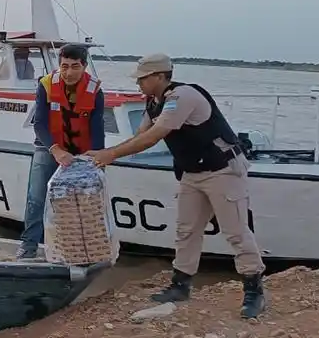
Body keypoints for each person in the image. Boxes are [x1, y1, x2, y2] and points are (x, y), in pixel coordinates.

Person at [84, 53, 267, 319]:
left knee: (236, 231)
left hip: (222, 170)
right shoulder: (154, 102)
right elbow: (141, 135)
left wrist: (110, 155)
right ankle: (181, 284)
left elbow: (156, 136)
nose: (138, 84)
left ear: (160, 76)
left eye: (142, 79)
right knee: (186, 229)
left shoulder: (183, 97)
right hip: (193, 172)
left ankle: (254, 291)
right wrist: (108, 153)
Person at [16, 43, 106, 260]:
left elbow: (97, 129)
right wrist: (55, 150)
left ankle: (77, 249)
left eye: (75, 67)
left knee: (81, 201)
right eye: (64, 66)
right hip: (48, 148)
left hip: (82, 154)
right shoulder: (46, 85)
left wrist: (99, 160)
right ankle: (29, 246)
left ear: (84, 66)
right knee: (36, 197)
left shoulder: (95, 91)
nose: (69, 72)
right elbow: (39, 124)